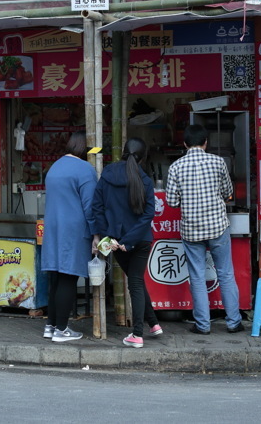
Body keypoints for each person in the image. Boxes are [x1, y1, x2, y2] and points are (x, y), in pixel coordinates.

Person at [164, 123, 244, 335]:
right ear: (206, 142)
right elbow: (228, 191)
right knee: (225, 273)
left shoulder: (176, 167)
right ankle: (234, 322)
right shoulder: (218, 162)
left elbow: (171, 201)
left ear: (184, 144)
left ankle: (202, 325)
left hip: (191, 230)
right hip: (218, 227)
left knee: (197, 276)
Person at [90, 137, 162, 348]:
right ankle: (153, 325)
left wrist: (111, 238)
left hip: (117, 240)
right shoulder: (145, 180)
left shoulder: (107, 175)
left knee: (135, 282)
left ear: (123, 152)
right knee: (137, 281)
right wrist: (129, 240)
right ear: (142, 157)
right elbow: (148, 215)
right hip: (140, 240)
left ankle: (137, 335)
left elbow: (97, 208)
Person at [41, 131, 98, 342]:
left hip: (53, 228)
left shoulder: (55, 167)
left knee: (56, 277)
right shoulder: (85, 170)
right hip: (73, 229)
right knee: (68, 277)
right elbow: (90, 207)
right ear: (85, 148)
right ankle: (62, 329)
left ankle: (51, 325)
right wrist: (96, 235)